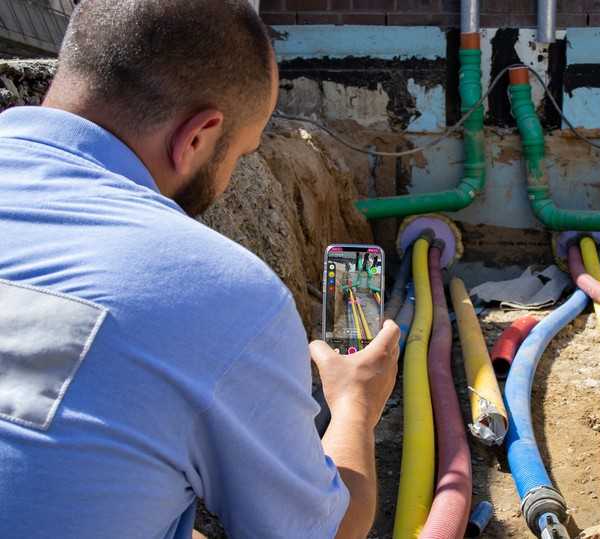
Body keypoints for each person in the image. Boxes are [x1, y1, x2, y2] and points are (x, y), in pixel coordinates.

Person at [0, 1, 399, 538]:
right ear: (196, 137)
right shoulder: (217, 293)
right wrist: (355, 404)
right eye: (240, 153)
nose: (231, 175)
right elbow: (328, 532)